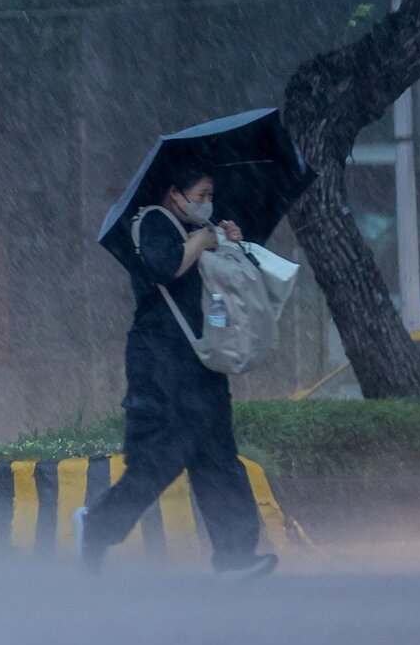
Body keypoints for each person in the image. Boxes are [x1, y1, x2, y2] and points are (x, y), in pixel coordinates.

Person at [74, 161, 278, 580]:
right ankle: (98, 526)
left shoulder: (198, 232)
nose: (207, 203)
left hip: (203, 359)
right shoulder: (151, 223)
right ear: (174, 193)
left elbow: (230, 286)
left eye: (210, 196)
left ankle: (236, 557)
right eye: (200, 195)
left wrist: (229, 244)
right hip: (160, 363)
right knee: (156, 463)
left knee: (218, 458)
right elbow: (163, 267)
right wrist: (203, 240)